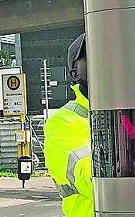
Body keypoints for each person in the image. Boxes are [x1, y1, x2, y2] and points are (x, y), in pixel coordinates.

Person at [44, 33, 92, 217]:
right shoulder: (62, 123)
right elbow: (92, 178)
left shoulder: (132, 116)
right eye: (92, 55)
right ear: (75, 72)